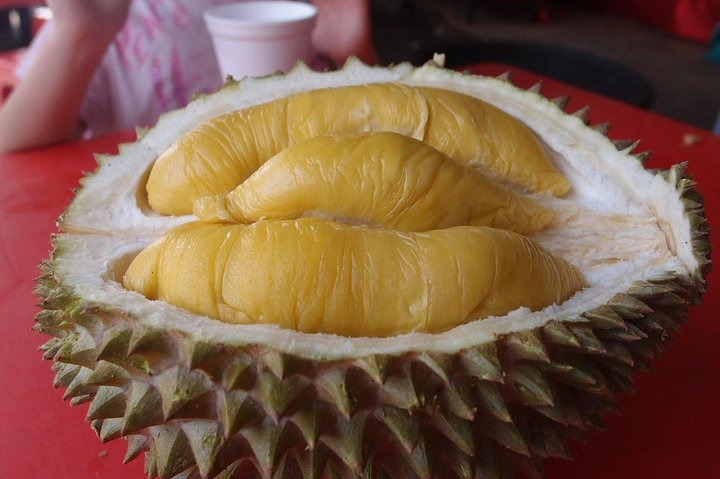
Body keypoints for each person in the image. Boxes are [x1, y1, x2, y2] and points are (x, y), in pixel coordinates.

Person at [0, 0, 377, 153]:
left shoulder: (302, 9)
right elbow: (13, 150)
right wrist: (80, 37)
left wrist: (353, 50)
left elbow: (369, 121)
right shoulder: (106, 21)